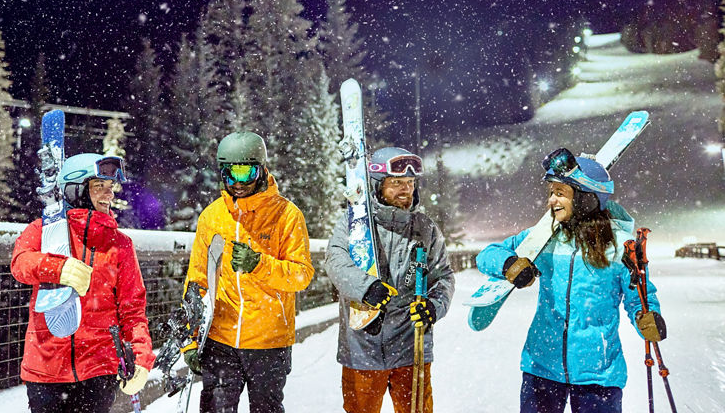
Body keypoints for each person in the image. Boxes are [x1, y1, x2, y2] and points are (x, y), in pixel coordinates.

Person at [476, 148, 667, 413]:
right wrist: (509, 264)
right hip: (542, 366)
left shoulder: (622, 247)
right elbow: (487, 255)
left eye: (560, 193)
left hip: (598, 373)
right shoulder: (544, 237)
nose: (551, 201)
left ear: (586, 198)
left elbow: (640, 298)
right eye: (551, 192)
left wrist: (647, 317)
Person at [181, 131, 314, 413]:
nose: (238, 183)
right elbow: (197, 279)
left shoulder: (287, 215)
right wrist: (190, 339)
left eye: (246, 173)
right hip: (220, 339)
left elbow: (302, 275)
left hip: (268, 341)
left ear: (262, 170)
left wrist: (260, 264)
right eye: (230, 174)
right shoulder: (213, 216)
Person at [11, 153, 155, 412]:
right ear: (75, 189)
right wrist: (56, 267)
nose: (108, 195)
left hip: (99, 369)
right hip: (46, 368)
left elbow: (133, 310)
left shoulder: (120, 244)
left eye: (110, 188)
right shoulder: (42, 230)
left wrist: (142, 357)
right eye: (99, 186)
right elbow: (20, 264)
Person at [324, 146, 456, 413]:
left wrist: (434, 306)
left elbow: (443, 276)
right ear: (377, 185)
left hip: (411, 344)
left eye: (409, 183)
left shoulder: (425, 228)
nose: (405, 189)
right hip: (362, 345)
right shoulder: (354, 223)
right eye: (396, 183)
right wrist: (366, 288)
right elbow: (335, 261)